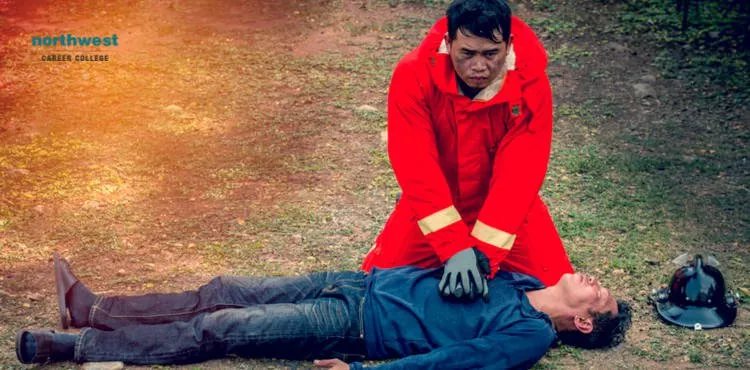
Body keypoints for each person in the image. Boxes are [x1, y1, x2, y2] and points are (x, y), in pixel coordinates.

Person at [17, 254, 631, 368]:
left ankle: (76, 349)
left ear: (582, 322)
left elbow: (452, 362)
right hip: (354, 284)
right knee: (223, 287)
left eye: (599, 296)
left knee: (224, 329)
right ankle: (92, 308)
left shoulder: (526, 337)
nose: (596, 282)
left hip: (356, 327)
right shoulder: (521, 276)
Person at [361, 0, 574, 300]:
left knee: (561, 298)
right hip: (436, 205)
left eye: (491, 54)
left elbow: (519, 176)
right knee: (376, 291)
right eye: (467, 54)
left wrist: (483, 257)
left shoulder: (531, 85)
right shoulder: (413, 74)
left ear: (509, 45)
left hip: (505, 212)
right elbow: (416, 166)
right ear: (448, 43)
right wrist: (453, 247)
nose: (478, 66)